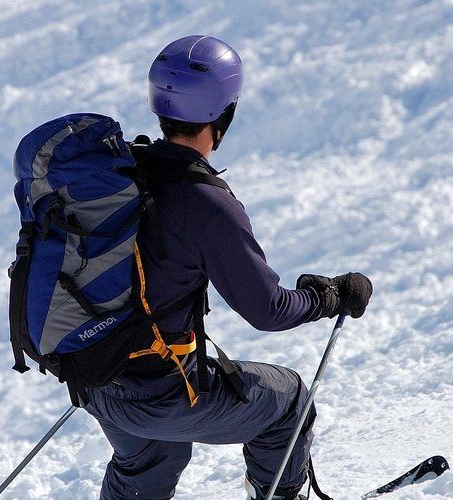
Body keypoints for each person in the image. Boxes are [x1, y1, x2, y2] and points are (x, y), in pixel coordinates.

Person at [80, 35, 373, 500]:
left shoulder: (125, 174)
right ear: (225, 114)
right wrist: (328, 297)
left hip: (96, 379)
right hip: (159, 392)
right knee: (289, 401)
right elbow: (268, 310)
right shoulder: (205, 203)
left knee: (153, 460)